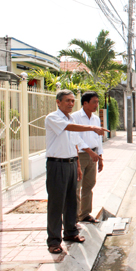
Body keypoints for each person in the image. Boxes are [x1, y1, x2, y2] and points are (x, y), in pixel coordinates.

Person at [45, 89, 108, 254]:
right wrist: (92, 128)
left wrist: (78, 165)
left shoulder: (70, 118)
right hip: (57, 165)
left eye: (72, 101)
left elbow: (75, 143)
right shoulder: (53, 117)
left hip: (72, 163)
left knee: (72, 201)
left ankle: (70, 233)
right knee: (56, 204)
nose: (71, 104)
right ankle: (53, 241)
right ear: (58, 102)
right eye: (67, 100)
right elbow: (69, 128)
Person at [72, 91, 103, 224]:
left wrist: (100, 157)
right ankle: (73, 218)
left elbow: (98, 138)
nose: (96, 104)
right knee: (77, 186)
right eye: (94, 102)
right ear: (85, 103)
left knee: (89, 185)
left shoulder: (96, 119)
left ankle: (85, 214)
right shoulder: (76, 117)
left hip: (94, 155)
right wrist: (90, 152)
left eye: (97, 102)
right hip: (81, 155)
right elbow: (75, 138)